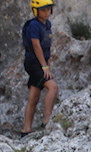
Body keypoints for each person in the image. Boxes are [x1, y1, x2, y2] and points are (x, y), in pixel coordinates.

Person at [21, 0, 58, 137]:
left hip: (40, 63)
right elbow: (36, 46)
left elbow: (46, 47)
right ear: (36, 11)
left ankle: (26, 130)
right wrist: (44, 67)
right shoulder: (34, 26)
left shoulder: (47, 24)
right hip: (34, 63)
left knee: (34, 96)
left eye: (48, 9)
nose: (46, 12)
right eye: (43, 10)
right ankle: (47, 120)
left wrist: (47, 64)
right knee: (53, 87)